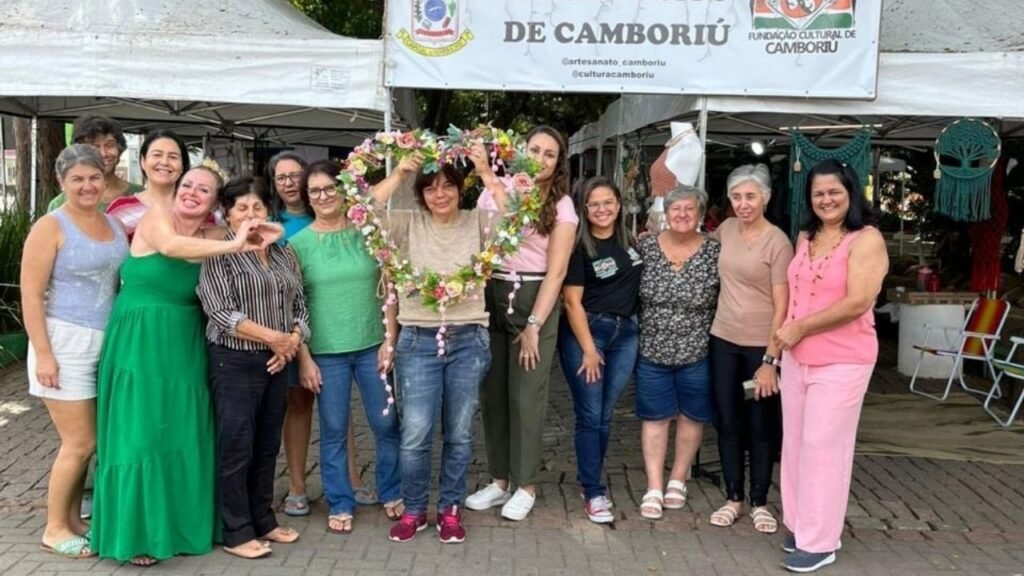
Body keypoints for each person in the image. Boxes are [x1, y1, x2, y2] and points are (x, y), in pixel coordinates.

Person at [92, 165, 273, 566]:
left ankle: (182, 526)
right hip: (140, 338)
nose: (192, 192)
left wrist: (256, 233)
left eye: (204, 190)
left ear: (214, 204)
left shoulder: (213, 234)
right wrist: (236, 244)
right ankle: (136, 532)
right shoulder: (158, 218)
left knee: (184, 430)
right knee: (140, 434)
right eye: (187, 184)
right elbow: (174, 249)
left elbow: (254, 234)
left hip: (186, 342)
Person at [373, 147, 505, 543]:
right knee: (415, 433)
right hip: (417, 339)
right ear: (421, 195)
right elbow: (366, 211)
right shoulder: (406, 223)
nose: (440, 194)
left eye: (448, 185)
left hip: (468, 337)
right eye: (430, 188)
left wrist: (484, 168)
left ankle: (450, 509)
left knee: (460, 433)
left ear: (460, 189)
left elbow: (516, 213)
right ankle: (414, 510)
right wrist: (399, 173)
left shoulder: (478, 222)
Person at [774, 159, 887, 573]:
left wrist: (799, 327)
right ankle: (800, 523)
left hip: (842, 357)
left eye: (834, 192)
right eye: (818, 193)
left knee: (825, 446)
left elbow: (858, 301)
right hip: (798, 354)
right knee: (797, 443)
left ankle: (821, 541)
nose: (826, 199)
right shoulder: (807, 235)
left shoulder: (867, 239)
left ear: (851, 193)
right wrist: (783, 340)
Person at [466, 126, 578, 521]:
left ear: (558, 161)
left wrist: (534, 323)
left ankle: (525, 484)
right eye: (535, 150)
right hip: (491, 291)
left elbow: (558, 269)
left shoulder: (561, 204)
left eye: (550, 154)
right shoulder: (495, 190)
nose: (541, 159)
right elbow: (480, 241)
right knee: (492, 394)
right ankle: (499, 480)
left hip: (533, 297)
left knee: (526, 395)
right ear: (521, 151)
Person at [22, 145, 129, 558]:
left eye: (94, 177)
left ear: (105, 178)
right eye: (77, 179)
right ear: (61, 183)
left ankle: (72, 519)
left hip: (106, 341)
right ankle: (53, 528)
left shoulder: (114, 222)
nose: (87, 186)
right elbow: (31, 296)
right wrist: (44, 354)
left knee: (91, 439)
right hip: (63, 341)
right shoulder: (50, 226)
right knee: (80, 441)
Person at [288, 161, 402, 535]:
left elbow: (390, 289)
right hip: (325, 351)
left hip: (372, 345)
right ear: (307, 198)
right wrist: (304, 358)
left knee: (386, 424)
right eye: (315, 191)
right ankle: (340, 501)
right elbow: (293, 306)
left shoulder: (367, 233)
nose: (323, 196)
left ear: (344, 190)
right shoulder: (298, 245)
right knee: (333, 428)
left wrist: (390, 339)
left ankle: (392, 490)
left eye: (329, 188)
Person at [197, 176, 307, 558]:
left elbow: (300, 303)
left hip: (277, 361)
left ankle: (264, 519)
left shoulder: (283, 252)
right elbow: (219, 311)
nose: (251, 214)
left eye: (257, 207)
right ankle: (236, 530)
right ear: (227, 214)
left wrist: (292, 341)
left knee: (265, 446)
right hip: (235, 360)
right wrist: (273, 338)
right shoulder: (220, 252)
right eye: (241, 207)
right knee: (237, 446)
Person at [707, 165, 793, 533]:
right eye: (736, 197)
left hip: (761, 346)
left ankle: (760, 501)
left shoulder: (778, 242)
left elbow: (783, 305)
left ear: (766, 198)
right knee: (727, 423)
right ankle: (733, 498)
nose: (743, 204)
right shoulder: (724, 231)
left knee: (760, 426)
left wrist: (770, 361)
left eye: (750, 197)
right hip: (723, 340)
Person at [558, 177, 642, 524]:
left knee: (605, 415)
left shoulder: (631, 242)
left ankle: (587, 481)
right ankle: (593, 491)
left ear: (619, 204)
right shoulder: (579, 247)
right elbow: (571, 301)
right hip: (587, 333)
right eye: (595, 204)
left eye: (608, 202)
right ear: (585, 209)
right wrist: (589, 350)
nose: (603, 209)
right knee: (590, 415)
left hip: (626, 335)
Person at [634, 184, 720, 521]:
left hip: (697, 350)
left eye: (689, 209)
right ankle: (654, 485)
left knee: (692, 416)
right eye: (675, 209)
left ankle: (678, 479)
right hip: (652, 349)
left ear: (700, 215)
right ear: (665, 214)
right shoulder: (646, 248)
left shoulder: (715, 253)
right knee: (654, 417)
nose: (682, 215)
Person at [105, 129, 191, 239]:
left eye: (173, 157)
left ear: (183, 165)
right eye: (157, 155)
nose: (164, 162)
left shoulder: (195, 208)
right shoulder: (121, 208)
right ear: (143, 161)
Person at [47, 115, 143, 212]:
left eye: (110, 145)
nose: (103, 153)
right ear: (81, 152)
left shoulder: (140, 196)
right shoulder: (60, 203)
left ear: (120, 148)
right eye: (95, 146)